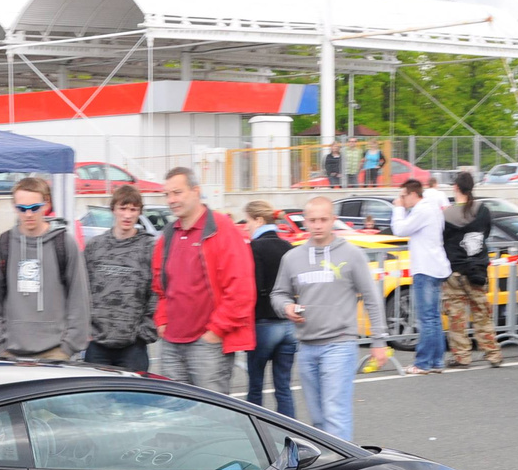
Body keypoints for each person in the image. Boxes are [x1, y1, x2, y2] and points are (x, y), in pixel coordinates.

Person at [270, 196, 390, 441]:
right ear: (305, 222)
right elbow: (278, 294)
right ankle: (329, 465)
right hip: (306, 346)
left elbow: (372, 297)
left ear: (333, 220)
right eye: (312, 220)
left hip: (340, 343)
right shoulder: (292, 257)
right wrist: (287, 307)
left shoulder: (351, 254)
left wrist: (379, 340)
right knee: (317, 419)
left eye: (323, 219)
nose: (318, 225)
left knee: (336, 414)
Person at [150, 167, 255, 393]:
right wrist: (162, 321)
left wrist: (215, 332)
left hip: (207, 346)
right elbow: (160, 286)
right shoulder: (169, 234)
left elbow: (241, 289)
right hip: (171, 343)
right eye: (167, 194)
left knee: (212, 419)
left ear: (196, 191)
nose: (171, 200)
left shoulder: (221, 229)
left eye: (177, 193)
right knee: (173, 413)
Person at [0, 176, 89, 362]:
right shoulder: (3, 245)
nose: (28, 214)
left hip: (56, 353)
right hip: (12, 353)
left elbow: (78, 298)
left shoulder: (64, 243)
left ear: (46, 204)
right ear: (14, 207)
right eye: (22, 209)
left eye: (34, 207)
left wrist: (68, 347)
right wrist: (0, 345)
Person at [82, 184, 157, 371]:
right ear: (113, 210)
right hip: (97, 344)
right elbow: (82, 290)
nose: (128, 215)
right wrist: (85, 329)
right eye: (123, 208)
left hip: (133, 347)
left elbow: (157, 291)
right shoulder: (95, 246)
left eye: (133, 209)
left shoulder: (150, 248)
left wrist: (144, 333)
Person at [440, 171, 501, 369]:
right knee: (482, 313)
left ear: (455, 187)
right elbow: (486, 233)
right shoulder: (483, 210)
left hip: (454, 270)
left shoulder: (447, 214)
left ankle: (462, 357)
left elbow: (442, 240)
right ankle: (493, 353)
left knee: (457, 316)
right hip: (478, 269)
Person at [390, 179, 452, 375]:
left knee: (427, 318)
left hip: (425, 269)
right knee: (433, 317)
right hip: (434, 267)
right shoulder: (431, 208)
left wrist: (398, 209)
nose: (401, 199)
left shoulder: (422, 210)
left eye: (403, 195)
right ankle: (436, 361)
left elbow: (399, 230)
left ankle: (423, 363)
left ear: (412, 194)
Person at [242, 199, 297, 415]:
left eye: (247, 221)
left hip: (263, 323)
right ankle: (292, 435)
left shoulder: (254, 248)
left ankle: (255, 437)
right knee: (283, 388)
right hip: (289, 323)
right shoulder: (288, 246)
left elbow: (253, 287)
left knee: (255, 387)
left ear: (259, 219)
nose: (246, 227)